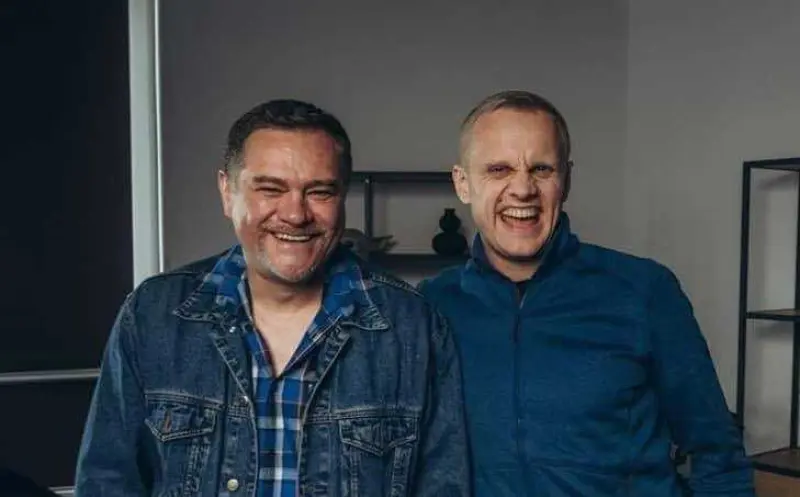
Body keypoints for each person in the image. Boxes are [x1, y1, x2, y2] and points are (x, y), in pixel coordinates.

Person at [75, 99, 469, 497]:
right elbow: (107, 483)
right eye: (270, 189)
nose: (296, 215)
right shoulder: (153, 315)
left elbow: (444, 488)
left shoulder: (414, 327)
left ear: (341, 198)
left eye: (319, 191)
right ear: (227, 192)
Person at [419, 90, 755, 496]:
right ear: (462, 183)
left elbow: (718, 455)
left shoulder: (644, 291)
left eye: (541, 169)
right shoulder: (431, 307)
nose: (522, 189)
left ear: (566, 179)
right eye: (498, 169)